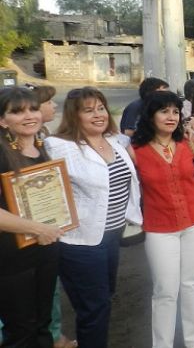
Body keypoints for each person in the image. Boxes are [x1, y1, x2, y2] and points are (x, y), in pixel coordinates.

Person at [44, 87, 141, 348]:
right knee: (94, 308)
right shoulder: (59, 146)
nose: (98, 115)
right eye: (89, 110)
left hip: (111, 235)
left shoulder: (115, 140)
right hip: (81, 242)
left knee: (103, 299)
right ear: (75, 116)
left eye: (100, 108)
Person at [131, 91, 194, 348]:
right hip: (159, 229)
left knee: (193, 283)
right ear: (150, 115)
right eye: (164, 111)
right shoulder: (135, 151)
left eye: (175, 111)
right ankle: (163, 344)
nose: (171, 117)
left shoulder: (188, 143)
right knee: (165, 290)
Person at [0, 87, 62, 348]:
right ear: (3, 120)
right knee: (21, 331)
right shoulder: (1, 153)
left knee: (42, 323)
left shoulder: (41, 148)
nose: (29, 116)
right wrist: (37, 228)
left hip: (44, 250)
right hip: (12, 258)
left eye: (33, 108)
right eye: (17, 111)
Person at [24, 83, 77, 348]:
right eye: (46, 103)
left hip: (47, 231)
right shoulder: (7, 152)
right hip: (21, 238)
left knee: (47, 291)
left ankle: (53, 335)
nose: (52, 106)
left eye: (34, 108)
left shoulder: (43, 142)